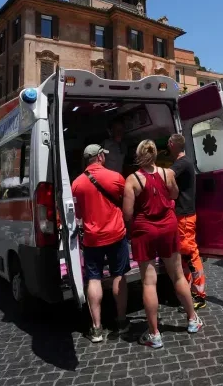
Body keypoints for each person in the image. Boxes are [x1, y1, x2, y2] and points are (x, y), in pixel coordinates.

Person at [123, 140, 203, 349]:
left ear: (138, 155)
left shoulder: (132, 180)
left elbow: (128, 214)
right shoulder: (167, 173)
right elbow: (174, 194)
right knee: (177, 274)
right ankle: (193, 319)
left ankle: (154, 334)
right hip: (168, 226)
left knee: (149, 283)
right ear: (156, 154)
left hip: (144, 230)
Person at [71, 144, 130, 342]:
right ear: (99, 157)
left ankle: (96, 328)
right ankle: (121, 321)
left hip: (92, 238)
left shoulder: (77, 184)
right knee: (118, 275)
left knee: (94, 279)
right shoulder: (116, 177)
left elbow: (77, 214)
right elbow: (126, 200)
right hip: (116, 234)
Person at [168, 134, 205, 309]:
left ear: (172, 144)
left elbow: (167, 175)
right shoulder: (185, 162)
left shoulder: (182, 163)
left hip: (184, 215)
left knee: (190, 254)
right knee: (184, 255)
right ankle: (188, 291)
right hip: (183, 214)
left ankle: (199, 295)